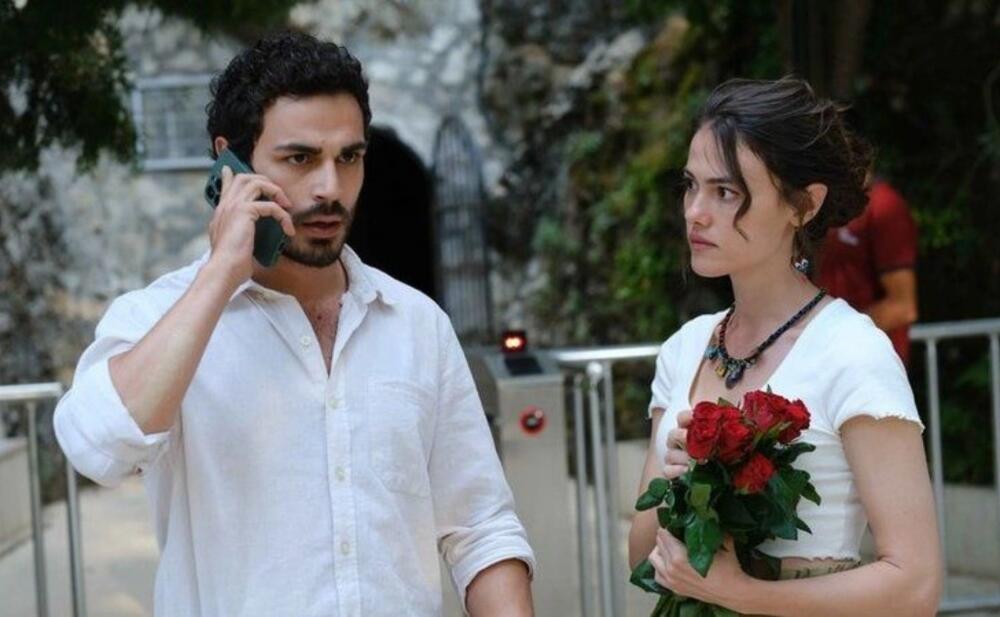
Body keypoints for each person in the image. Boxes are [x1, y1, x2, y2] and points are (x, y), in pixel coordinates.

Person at [54, 32, 534, 617]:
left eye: (349, 158)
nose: (330, 189)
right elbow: (97, 448)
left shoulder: (417, 324)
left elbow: (480, 527)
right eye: (300, 159)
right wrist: (221, 274)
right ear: (230, 163)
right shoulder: (160, 316)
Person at [627, 78, 941, 616]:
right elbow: (641, 559)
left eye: (725, 192)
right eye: (690, 185)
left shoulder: (851, 352)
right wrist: (678, 479)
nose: (695, 212)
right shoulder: (685, 348)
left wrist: (741, 593)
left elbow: (915, 586)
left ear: (804, 205)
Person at [818, 178, 919, 365]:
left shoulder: (883, 204)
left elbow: (902, 307)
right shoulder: (819, 201)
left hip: (868, 363)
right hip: (828, 359)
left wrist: (825, 334)